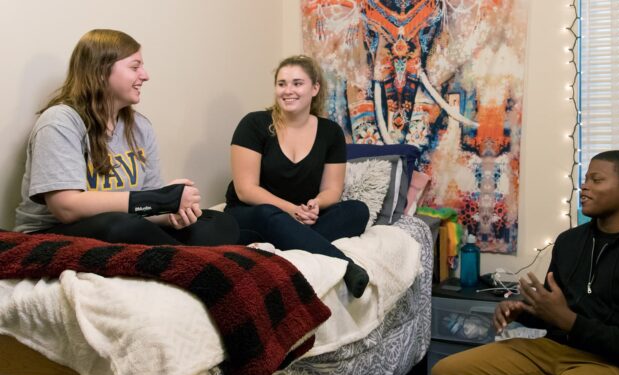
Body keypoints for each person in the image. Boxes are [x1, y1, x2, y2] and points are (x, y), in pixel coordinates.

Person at [431, 150, 619, 375]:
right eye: (585, 180)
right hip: (552, 349)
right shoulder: (570, 242)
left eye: (596, 180)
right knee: (447, 374)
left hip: (615, 366)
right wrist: (523, 312)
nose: (584, 187)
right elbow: (552, 313)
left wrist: (570, 321)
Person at [14, 29, 239, 246]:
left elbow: (143, 211)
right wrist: (158, 200)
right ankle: (184, 255)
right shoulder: (60, 121)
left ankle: (173, 251)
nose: (145, 75)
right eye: (135, 66)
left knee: (218, 222)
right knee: (121, 226)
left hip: (125, 226)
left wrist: (170, 216)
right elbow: (66, 207)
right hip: (51, 235)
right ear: (101, 71)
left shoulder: (140, 127)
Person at [224, 55, 370, 298]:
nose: (288, 90)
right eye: (281, 84)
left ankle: (291, 241)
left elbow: (332, 190)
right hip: (254, 213)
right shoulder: (254, 124)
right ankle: (346, 265)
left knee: (358, 211)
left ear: (314, 88)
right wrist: (291, 211)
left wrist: (316, 204)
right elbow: (245, 190)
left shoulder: (330, 132)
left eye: (297, 83)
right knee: (268, 214)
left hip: (302, 217)